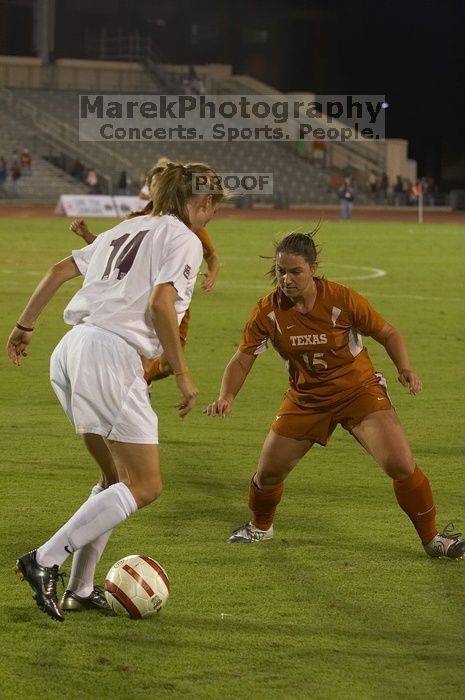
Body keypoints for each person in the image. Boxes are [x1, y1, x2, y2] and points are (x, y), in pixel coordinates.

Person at [7, 160, 224, 622]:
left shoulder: (125, 229)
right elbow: (161, 304)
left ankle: (81, 590)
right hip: (110, 357)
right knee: (145, 485)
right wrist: (182, 373)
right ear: (201, 202)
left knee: (114, 479)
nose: (213, 215)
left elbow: (58, 269)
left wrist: (26, 325)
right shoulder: (183, 239)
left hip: (70, 352)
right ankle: (44, 559)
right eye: (213, 206)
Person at [204, 231, 465, 560]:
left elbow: (387, 332)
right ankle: (260, 526)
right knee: (267, 474)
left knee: (399, 462)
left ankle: (432, 539)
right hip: (307, 399)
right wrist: (227, 395)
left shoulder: (342, 299)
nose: (286, 279)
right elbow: (243, 357)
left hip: (359, 391)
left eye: (295, 271)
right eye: (280, 271)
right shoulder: (267, 312)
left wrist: (405, 368)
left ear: (313, 268)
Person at [69, 157, 221, 383]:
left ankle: (139, 383)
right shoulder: (137, 221)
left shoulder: (186, 229)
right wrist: (88, 237)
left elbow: (211, 255)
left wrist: (212, 274)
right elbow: (114, 251)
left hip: (165, 300)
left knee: (166, 362)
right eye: (153, 184)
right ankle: (139, 384)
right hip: (134, 307)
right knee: (147, 358)